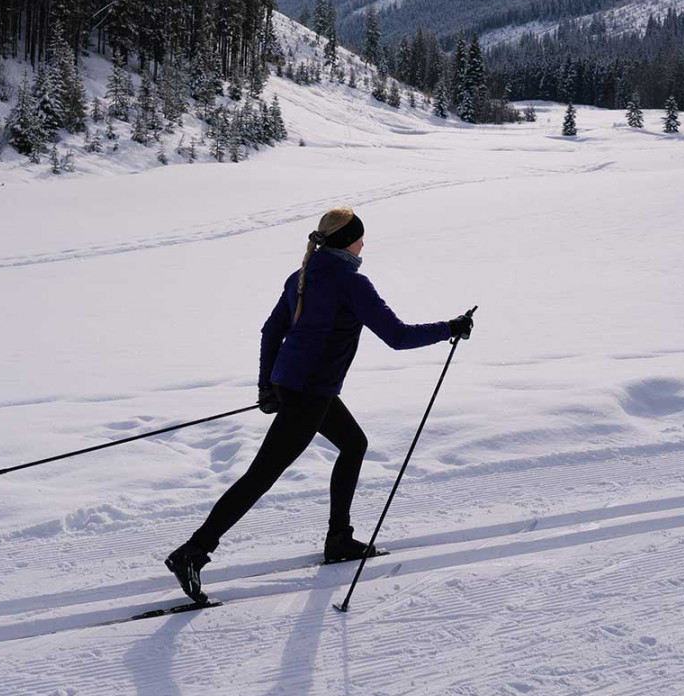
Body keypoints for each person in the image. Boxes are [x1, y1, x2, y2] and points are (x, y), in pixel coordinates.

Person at [164, 206, 473, 603]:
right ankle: (193, 552)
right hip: (309, 393)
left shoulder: (302, 276)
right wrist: (450, 328)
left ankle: (339, 538)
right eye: (361, 236)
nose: (365, 243)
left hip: (300, 387)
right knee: (262, 475)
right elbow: (396, 336)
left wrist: (268, 386)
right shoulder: (350, 282)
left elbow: (271, 331)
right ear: (348, 241)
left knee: (353, 444)